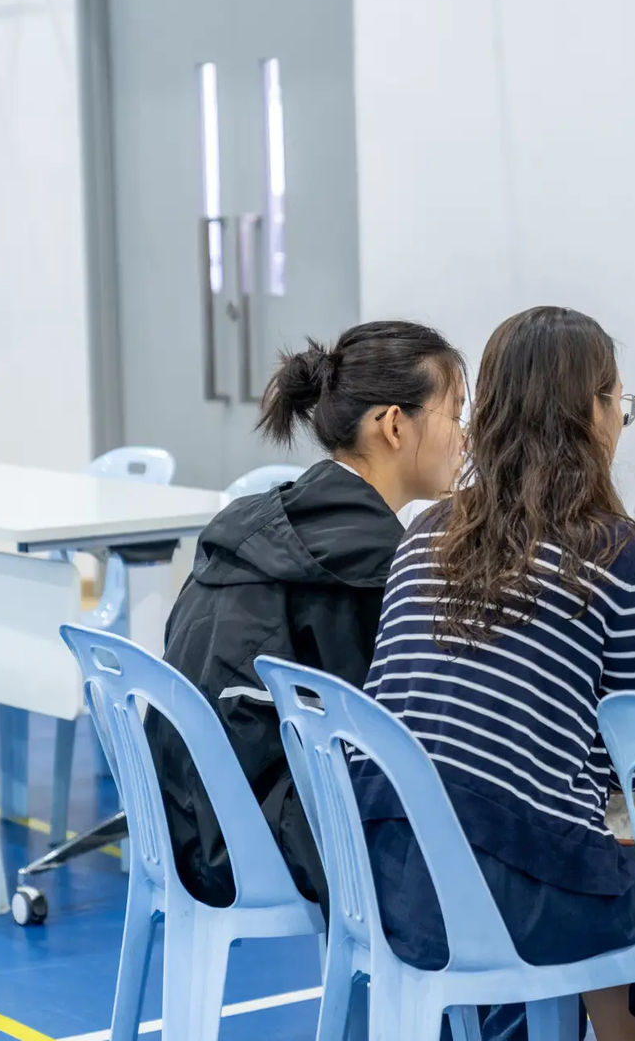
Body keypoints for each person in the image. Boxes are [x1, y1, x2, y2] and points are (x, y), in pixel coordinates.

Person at [354, 306, 635, 1041]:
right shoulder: (625, 555)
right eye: (620, 404)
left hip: (382, 876)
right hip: (504, 901)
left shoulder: (424, 533)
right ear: (593, 414)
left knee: (610, 834)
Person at [148, 319, 467, 910]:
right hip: (252, 840)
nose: (465, 439)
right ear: (394, 425)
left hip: (177, 818)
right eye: (455, 416)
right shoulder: (371, 563)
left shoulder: (263, 519)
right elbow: (390, 737)